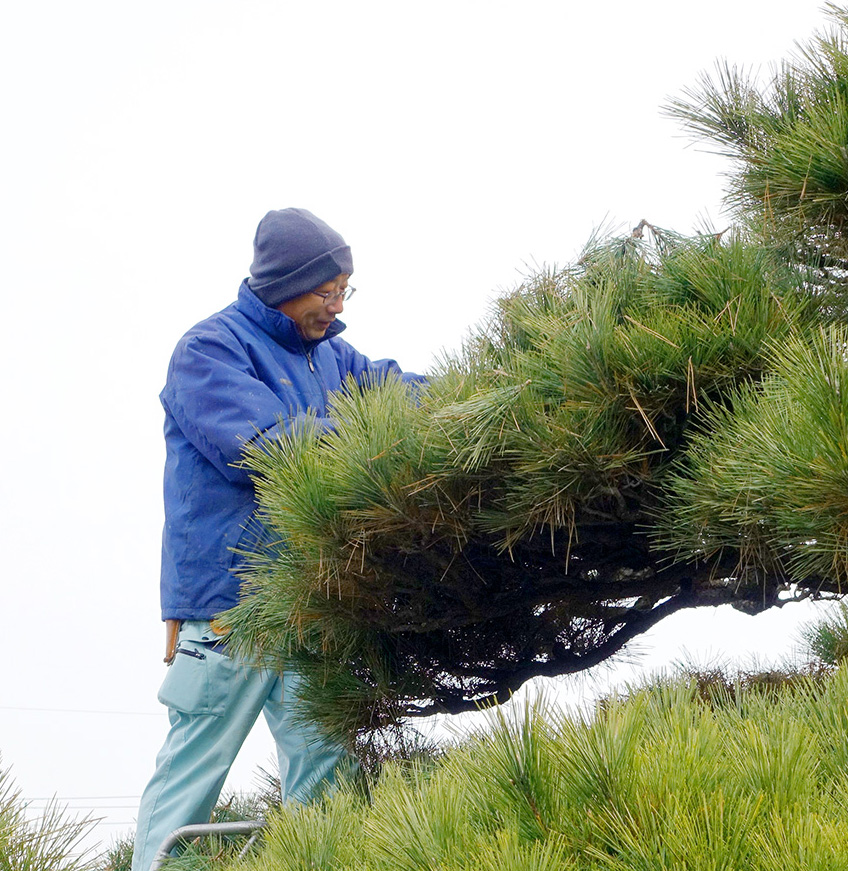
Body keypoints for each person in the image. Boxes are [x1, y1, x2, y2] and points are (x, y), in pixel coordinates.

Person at [131, 208, 421, 871]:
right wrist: (374, 438)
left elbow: (398, 392)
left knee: (327, 775)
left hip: (314, 605)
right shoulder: (208, 352)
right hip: (228, 611)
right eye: (327, 290)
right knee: (193, 772)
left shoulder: (334, 358)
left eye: (346, 289)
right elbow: (269, 445)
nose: (338, 304)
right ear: (285, 283)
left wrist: (474, 401)